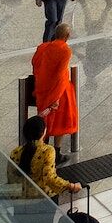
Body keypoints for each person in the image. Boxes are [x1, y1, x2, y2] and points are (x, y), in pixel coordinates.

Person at [7, 116, 81, 214]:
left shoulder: (15, 152)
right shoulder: (47, 151)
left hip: (20, 203)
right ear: (43, 133)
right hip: (44, 201)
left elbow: (11, 179)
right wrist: (70, 186)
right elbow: (50, 178)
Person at [31, 23, 79, 164]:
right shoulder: (65, 50)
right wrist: (56, 97)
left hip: (43, 89)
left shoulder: (42, 48)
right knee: (60, 122)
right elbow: (60, 74)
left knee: (44, 120)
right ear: (67, 36)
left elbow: (35, 64)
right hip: (59, 91)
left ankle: (41, 149)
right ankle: (56, 152)